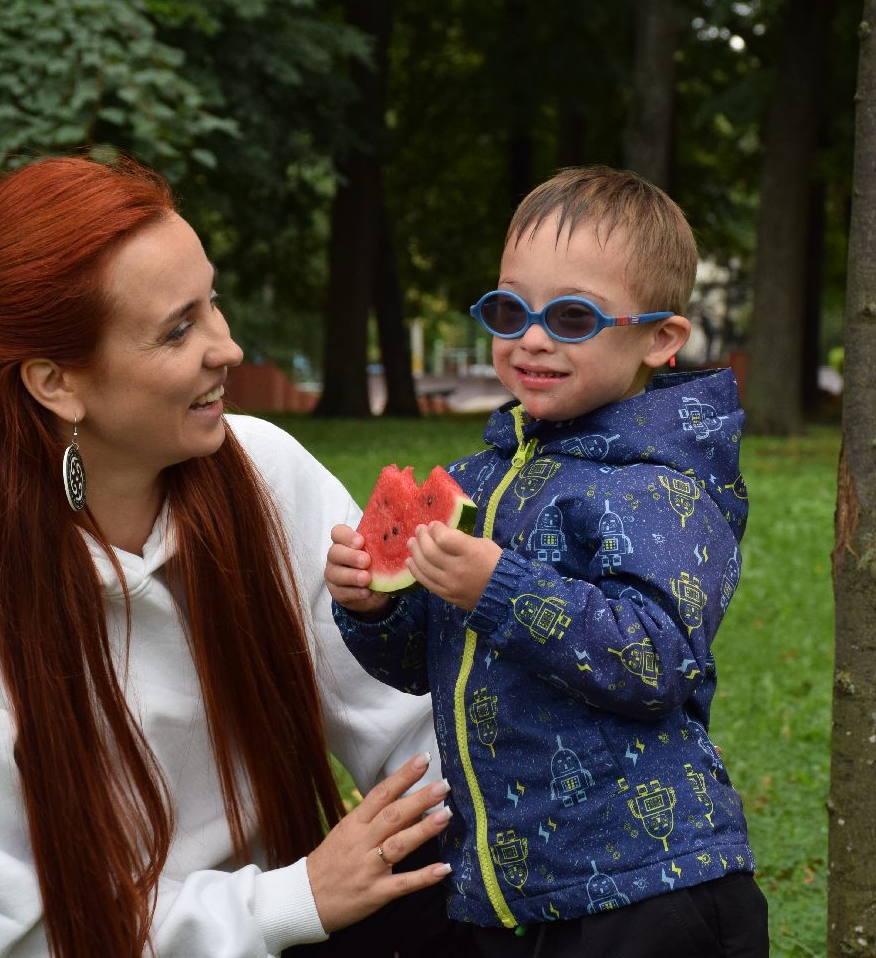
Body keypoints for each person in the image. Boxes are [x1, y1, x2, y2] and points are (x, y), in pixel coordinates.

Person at [0, 156, 469, 958]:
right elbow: (32, 937)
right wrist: (292, 898)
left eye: (213, 303)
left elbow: (410, 731)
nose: (227, 347)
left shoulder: (264, 473)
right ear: (56, 382)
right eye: (178, 329)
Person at [326, 167, 768, 957]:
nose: (531, 338)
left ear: (661, 339)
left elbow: (653, 659)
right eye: (510, 310)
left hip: (646, 887)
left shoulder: (662, 488)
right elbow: (420, 666)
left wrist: (499, 585)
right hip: (510, 894)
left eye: (571, 316)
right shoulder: (474, 481)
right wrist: (375, 607)